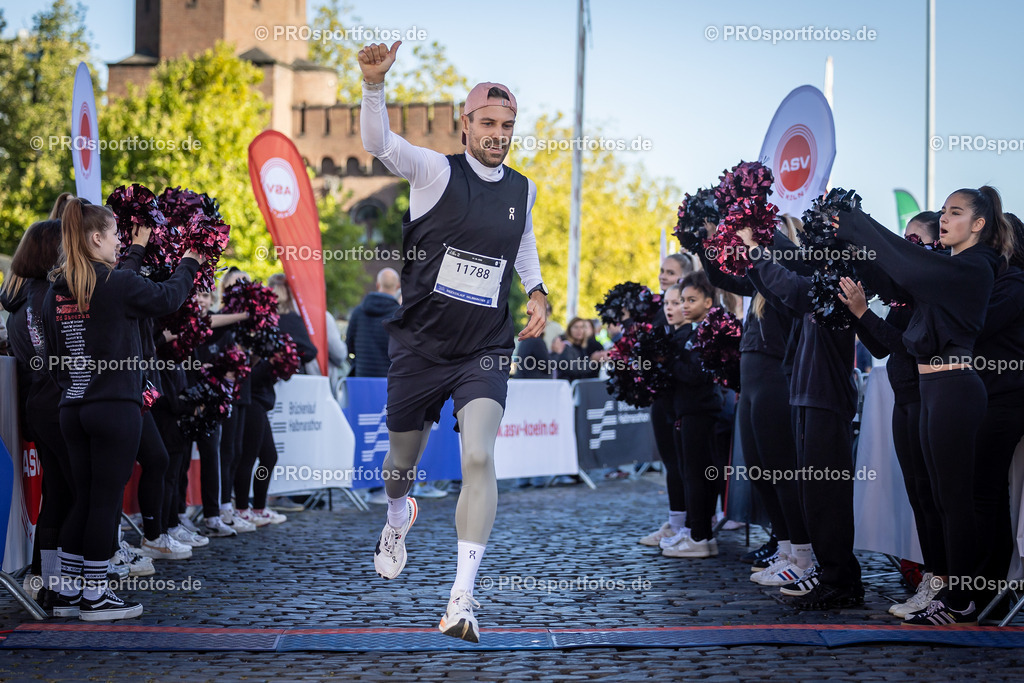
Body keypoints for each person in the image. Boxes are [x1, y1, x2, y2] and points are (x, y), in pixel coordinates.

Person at [360, 40, 547, 642]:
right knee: (399, 466)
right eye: (487, 123)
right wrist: (372, 85)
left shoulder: (524, 189)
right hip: (420, 346)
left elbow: (521, 245)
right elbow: (378, 144)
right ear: (464, 124)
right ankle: (397, 515)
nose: (498, 134)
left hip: (484, 348)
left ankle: (461, 599)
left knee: (480, 457)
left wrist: (537, 289)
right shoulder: (435, 170)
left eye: (507, 126)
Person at [834, 186, 1012, 625]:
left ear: (978, 225)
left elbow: (905, 263)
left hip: (955, 389)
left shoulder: (975, 267)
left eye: (955, 213)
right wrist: (847, 239)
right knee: (936, 497)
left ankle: (960, 601)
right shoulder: (948, 268)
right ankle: (946, 589)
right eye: (945, 212)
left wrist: (857, 222)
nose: (945, 220)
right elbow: (896, 287)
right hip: (933, 390)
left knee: (954, 501)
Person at [42, 198, 205, 621]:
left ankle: (66, 592)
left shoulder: (56, 290)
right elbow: (168, 296)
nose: (119, 241)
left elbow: (56, 354)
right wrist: (190, 261)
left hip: (72, 407)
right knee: (104, 502)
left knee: (84, 499)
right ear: (96, 238)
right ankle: (95, 596)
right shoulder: (112, 285)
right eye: (115, 234)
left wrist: (136, 250)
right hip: (114, 407)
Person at [739, 223, 862, 610]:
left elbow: (792, 286)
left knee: (827, 497)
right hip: (805, 392)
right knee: (815, 495)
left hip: (826, 395)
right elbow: (786, 290)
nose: (807, 247)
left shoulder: (841, 276)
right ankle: (832, 576)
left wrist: (756, 240)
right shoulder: (818, 275)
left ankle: (840, 580)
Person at [837, 211, 945, 617]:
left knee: (934, 497)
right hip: (904, 397)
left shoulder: (930, 290)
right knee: (918, 494)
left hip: (927, 397)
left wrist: (865, 313)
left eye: (913, 241)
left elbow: (905, 344)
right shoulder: (902, 296)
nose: (904, 248)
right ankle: (930, 579)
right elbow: (882, 348)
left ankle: (943, 583)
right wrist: (857, 311)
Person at [660, 273, 723, 558]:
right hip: (692, 411)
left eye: (691, 300)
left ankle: (699, 536)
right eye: (681, 300)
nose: (684, 305)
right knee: (693, 474)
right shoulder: (697, 330)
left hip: (699, 411)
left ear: (708, 302)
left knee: (697, 476)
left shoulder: (704, 332)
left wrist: (668, 360)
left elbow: (695, 374)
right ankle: (699, 534)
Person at [639, 254, 697, 547]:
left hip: (681, 403)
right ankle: (677, 522)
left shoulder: (689, 326)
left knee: (682, 465)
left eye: (670, 272)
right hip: (662, 399)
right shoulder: (658, 314)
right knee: (671, 463)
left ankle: (689, 527)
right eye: (661, 270)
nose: (662, 276)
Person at [347, 268, 401, 378]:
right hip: (390, 381)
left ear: (377, 285)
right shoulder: (399, 316)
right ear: (398, 286)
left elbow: (349, 344)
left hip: (362, 377)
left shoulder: (358, 312)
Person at [551, 317, 603, 381]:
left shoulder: (581, 346)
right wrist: (592, 360)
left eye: (582, 327)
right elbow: (573, 369)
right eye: (576, 327)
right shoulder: (565, 344)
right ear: (569, 329)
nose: (579, 330)